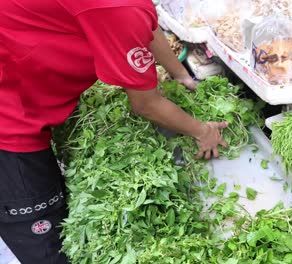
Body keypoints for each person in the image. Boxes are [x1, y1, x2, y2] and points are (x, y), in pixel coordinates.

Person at [0, 0, 228, 263]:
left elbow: (146, 29)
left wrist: (181, 75)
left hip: (20, 82)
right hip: (10, 123)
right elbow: (146, 104)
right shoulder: (117, 8)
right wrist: (202, 131)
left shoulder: (128, 8)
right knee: (48, 244)